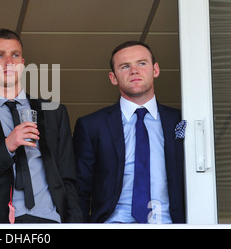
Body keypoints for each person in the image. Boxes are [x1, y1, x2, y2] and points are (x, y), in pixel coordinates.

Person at [0, 28, 83, 223]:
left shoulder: (54, 112)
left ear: (22, 64)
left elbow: (68, 178)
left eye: (15, 55)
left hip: (52, 220)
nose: (9, 62)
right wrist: (6, 147)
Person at [73, 41, 185, 224]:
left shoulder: (179, 121)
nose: (134, 70)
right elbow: (79, 190)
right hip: (113, 224)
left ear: (155, 70)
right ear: (113, 77)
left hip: (169, 224)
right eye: (125, 66)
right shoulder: (91, 125)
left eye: (141, 63)